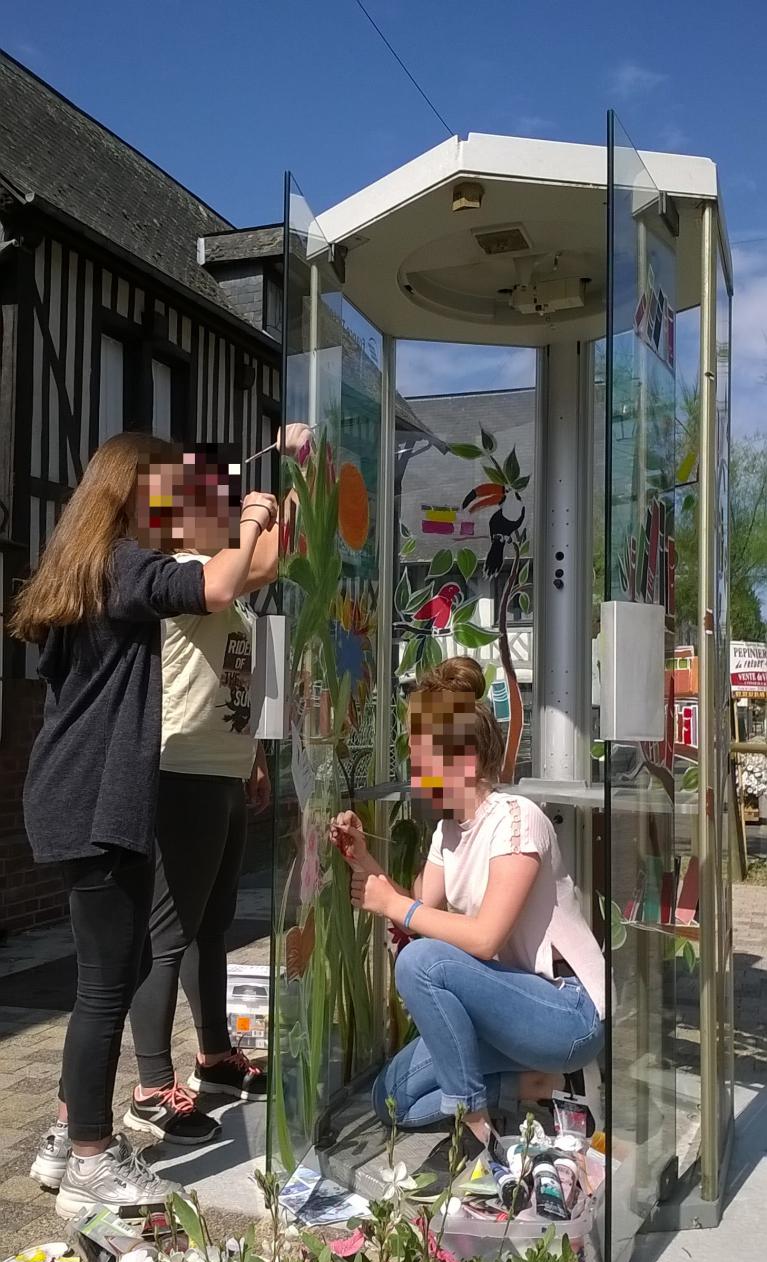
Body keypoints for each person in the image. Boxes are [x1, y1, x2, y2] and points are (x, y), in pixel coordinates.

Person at [12, 433, 277, 1217]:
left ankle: (67, 1133)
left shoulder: (86, 570)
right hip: (100, 798)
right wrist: (255, 514)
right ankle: (94, 1156)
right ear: (132, 492)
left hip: (75, 792)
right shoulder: (124, 565)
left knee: (106, 977)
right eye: (163, 488)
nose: (176, 503)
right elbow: (223, 581)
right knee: (104, 987)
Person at [331, 656, 605, 1184]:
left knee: (421, 962)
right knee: (391, 1099)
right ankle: (525, 1088)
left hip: (565, 1010)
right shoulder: (447, 834)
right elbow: (419, 916)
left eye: (422, 762)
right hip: (507, 1013)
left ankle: (475, 1121)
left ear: (466, 758)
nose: (415, 777)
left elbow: (483, 938)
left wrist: (397, 906)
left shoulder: (517, 820)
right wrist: (364, 861)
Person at [122, 428, 310, 1146]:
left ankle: (214, 1057)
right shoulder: (183, 570)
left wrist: (255, 755)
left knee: (212, 927)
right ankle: (148, 1083)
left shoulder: (219, 574)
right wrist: (294, 470)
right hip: (181, 774)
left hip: (223, 769)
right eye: (215, 502)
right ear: (176, 512)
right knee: (166, 935)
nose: (229, 509)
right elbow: (269, 556)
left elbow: (235, 674)